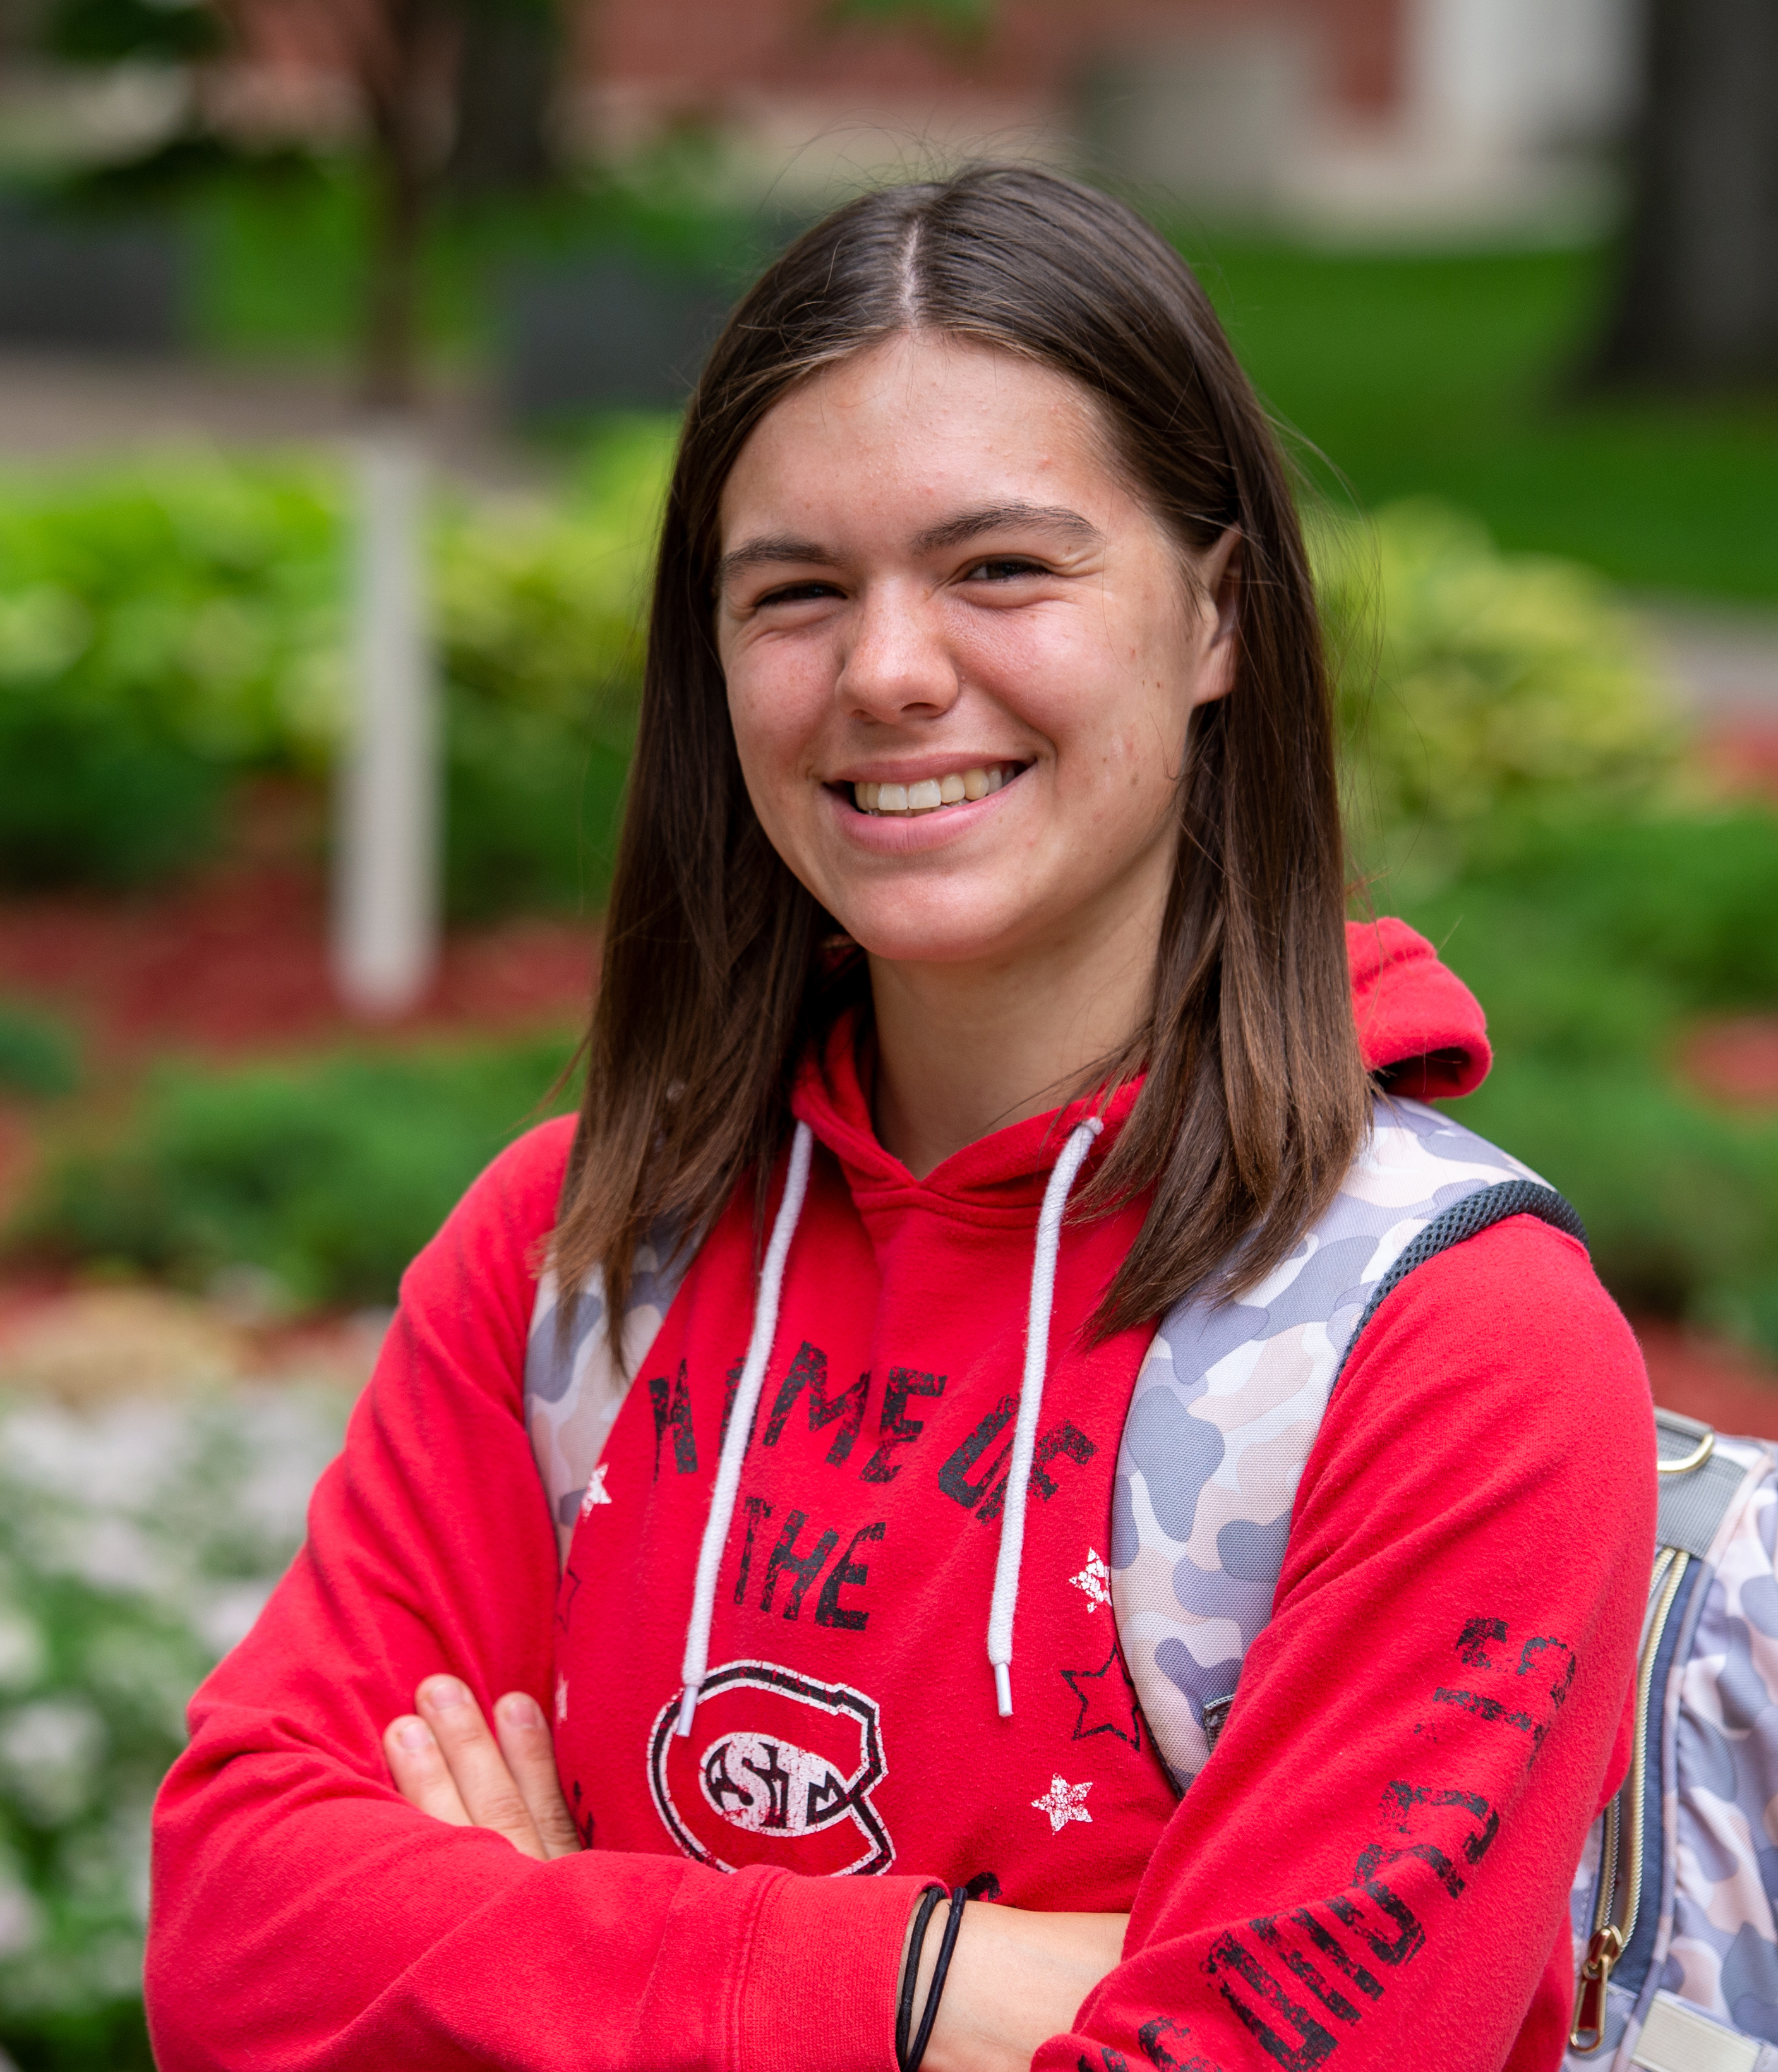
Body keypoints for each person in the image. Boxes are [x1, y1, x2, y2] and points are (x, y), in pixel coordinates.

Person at [145, 166, 1655, 2071]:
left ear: (1217, 620)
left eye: (1001, 568)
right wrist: (936, 1984)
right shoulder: (572, 1256)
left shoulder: (1447, 1356)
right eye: (796, 593)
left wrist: (531, 1947)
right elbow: (229, 1940)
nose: (886, 672)